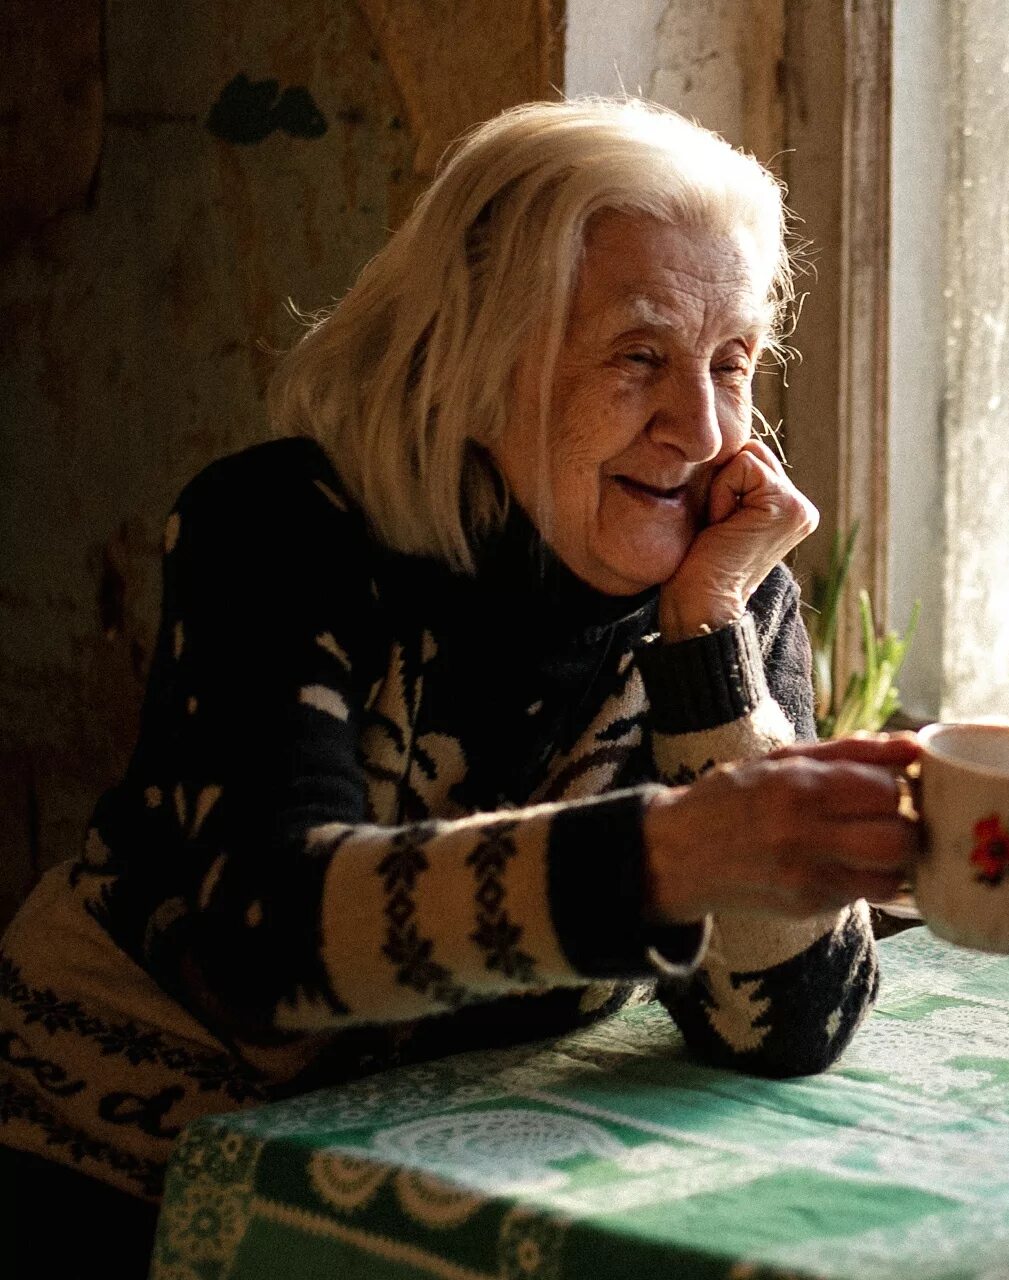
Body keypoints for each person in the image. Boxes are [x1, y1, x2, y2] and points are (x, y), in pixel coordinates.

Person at [0, 99, 917, 1272]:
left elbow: (792, 1026)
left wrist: (708, 650)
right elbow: (263, 943)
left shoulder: (723, 590)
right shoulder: (282, 528)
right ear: (476, 356)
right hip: (124, 1172)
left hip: (439, 1178)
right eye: (640, 355)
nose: (700, 428)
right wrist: (672, 855)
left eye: (732, 364)